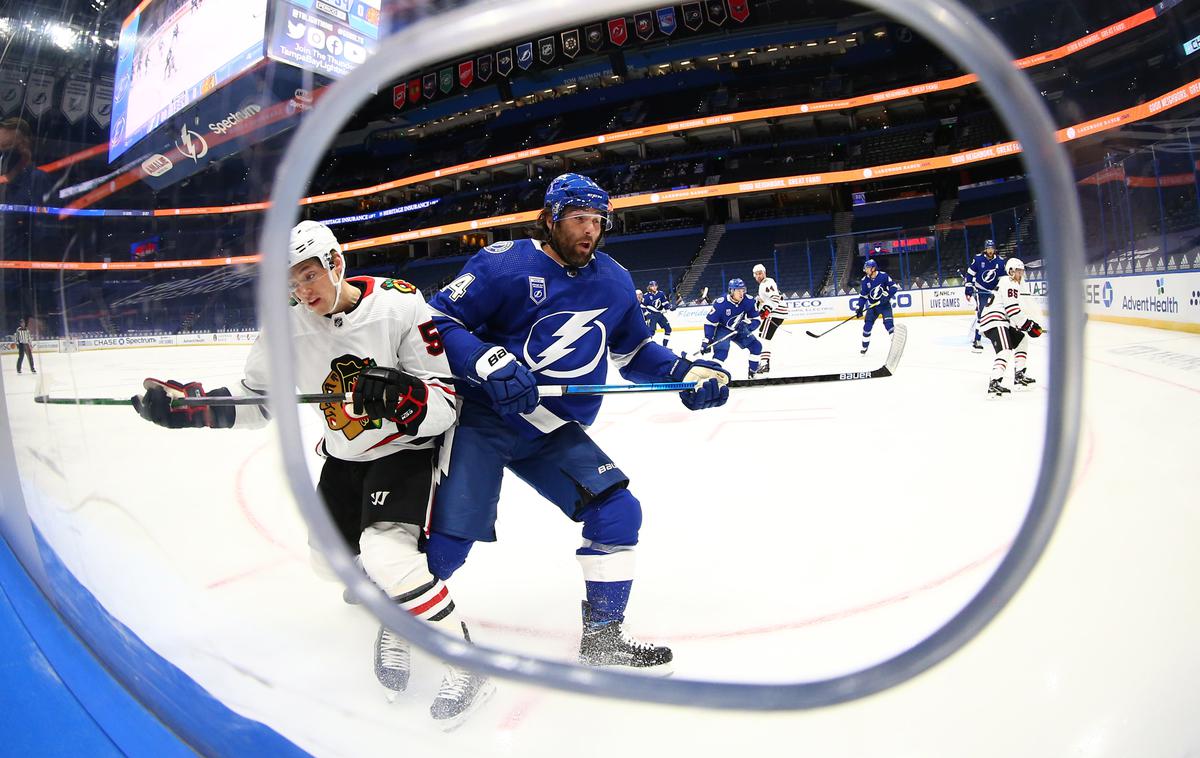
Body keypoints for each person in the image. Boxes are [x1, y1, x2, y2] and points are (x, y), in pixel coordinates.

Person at [130, 220, 492, 725]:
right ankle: (399, 611)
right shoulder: (286, 328)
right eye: (291, 283)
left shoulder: (399, 303)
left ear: (335, 263)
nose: (301, 291)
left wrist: (402, 394)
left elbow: (446, 403)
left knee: (388, 555)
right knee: (330, 564)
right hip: (344, 456)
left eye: (308, 276)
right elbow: (258, 402)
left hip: (404, 449)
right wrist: (197, 409)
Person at [426, 173, 730, 674]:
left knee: (617, 512)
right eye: (577, 219)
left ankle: (603, 638)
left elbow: (632, 352)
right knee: (448, 548)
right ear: (549, 219)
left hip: (548, 426)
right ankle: (396, 613)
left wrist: (682, 372)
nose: (588, 231)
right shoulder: (503, 265)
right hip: (483, 420)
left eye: (597, 221)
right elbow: (438, 320)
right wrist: (485, 361)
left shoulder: (613, 278)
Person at [978, 257, 1042, 396]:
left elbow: (1013, 312)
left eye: (1022, 271)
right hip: (995, 320)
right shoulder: (1009, 282)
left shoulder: (1010, 283)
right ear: (1011, 271)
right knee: (1005, 350)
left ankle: (1019, 376)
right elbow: (1012, 311)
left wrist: (1027, 325)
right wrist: (1029, 326)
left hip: (999, 319)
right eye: (1019, 271)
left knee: (1021, 340)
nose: (1021, 275)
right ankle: (994, 383)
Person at [702, 278, 764, 377]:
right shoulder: (720, 304)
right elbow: (710, 323)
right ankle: (713, 376)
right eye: (738, 290)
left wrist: (748, 326)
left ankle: (752, 373)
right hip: (723, 329)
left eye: (743, 290)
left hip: (740, 328)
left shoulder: (748, 301)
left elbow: (756, 319)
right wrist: (706, 340)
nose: (741, 293)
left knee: (756, 346)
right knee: (721, 353)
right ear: (731, 291)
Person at [965, 239, 1005, 351]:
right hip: (981, 291)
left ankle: (1000, 337)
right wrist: (968, 288)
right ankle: (977, 339)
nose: (990, 250)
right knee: (981, 315)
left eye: (992, 248)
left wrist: (999, 290)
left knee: (999, 314)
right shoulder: (978, 259)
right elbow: (970, 274)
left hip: (994, 293)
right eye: (988, 248)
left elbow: (1002, 279)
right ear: (985, 249)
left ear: (994, 249)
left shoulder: (1000, 262)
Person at [855, 258, 899, 355]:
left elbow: (894, 287)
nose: (865, 270)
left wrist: (887, 295)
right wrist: (859, 308)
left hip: (884, 305)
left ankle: (896, 346)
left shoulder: (883, 276)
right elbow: (863, 296)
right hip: (873, 306)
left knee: (889, 324)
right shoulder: (864, 280)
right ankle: (864, 346)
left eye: (867, 268)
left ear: (873, 268)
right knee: (867, 326)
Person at [752, 263, 788, 375]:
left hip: (775, 313)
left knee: (764, 337)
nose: (759, 276)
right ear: (754, 276)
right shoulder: (763, 285)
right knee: (763, 334)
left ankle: (764, 364)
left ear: (764, 273)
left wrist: (767, 309)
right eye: (756, 274)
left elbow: (775, 297)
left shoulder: (767, 282)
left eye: (760, 273)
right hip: (777, 313)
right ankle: (764, 363)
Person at [641, 280, 674, 347]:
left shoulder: (661, 294)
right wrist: (646, 314)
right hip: (652, 316)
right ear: (649, 287)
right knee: (651, 333)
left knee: (668, 329)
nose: (654, 287)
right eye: (652, 286)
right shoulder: (646, 296)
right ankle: (646, 347)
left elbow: (665, 303)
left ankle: (665, 346)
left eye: (655, 285)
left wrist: (670, 307)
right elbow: (642, 306)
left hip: (659, 315)